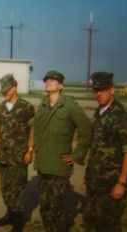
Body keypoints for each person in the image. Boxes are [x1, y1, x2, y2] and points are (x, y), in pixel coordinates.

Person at [33, 70, 92, 232]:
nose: (48, 82)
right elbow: (36, 128)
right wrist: (33, 148)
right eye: (47, 80)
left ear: (61, 85)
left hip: (59, 167)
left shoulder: (70, 106)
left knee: (56, 208)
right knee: (45, 206)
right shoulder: (43, 105)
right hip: (43, 165)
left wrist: (77, 155)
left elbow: (86, 129)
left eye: (53, 80)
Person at [83, 72, 127, 232]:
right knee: (91, 220)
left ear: (112, 90)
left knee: (108, 225)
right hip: (96, 180)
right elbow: (95, 148)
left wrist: (121, 183)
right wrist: (88, 175)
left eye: (103, 90)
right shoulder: (99, 112)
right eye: (96, 90)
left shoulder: (123, 115)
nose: (98, 94)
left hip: (112, 182)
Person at [0, 74, 35, 232]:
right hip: (4, 155)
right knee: (5, 186)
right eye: (2, 90)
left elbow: (33, 130)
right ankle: (9, 214)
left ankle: (18, 221)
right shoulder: (0, 108)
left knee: (17, 187)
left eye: (6, 90)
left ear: (14, 87)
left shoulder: (27, 107)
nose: (4, 93)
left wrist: (30, 150)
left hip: (19, 155)